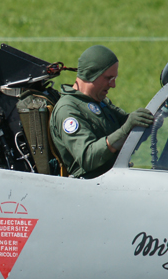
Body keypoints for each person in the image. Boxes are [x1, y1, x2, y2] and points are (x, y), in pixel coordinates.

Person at [49, 45, 154, 179]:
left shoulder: (99, 101)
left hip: (113, 179)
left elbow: (127, 121)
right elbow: (87, 157)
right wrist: (124, 131)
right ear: (90, 75)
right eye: (108, 78)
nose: (113, 85)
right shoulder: (67, 110)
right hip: (92, 186)